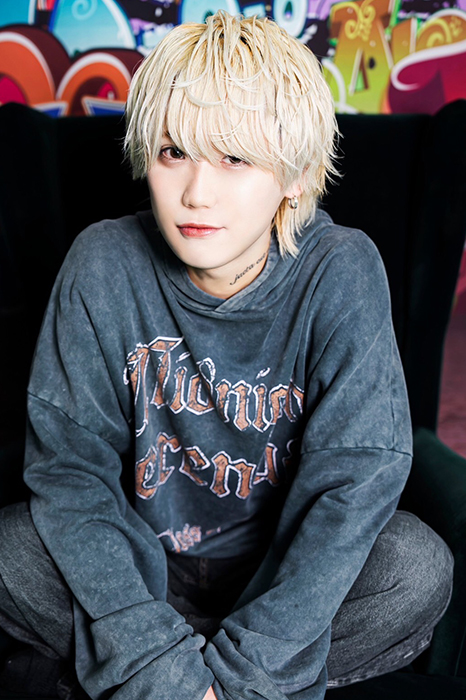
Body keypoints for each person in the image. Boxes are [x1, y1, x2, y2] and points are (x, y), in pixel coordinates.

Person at [0, 11, 453, 700]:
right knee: (11, 550)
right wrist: (166, 667)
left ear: (296, 175)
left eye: (234, 159)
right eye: (173, 152)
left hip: (282, 573)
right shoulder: (103, 262)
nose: (195, 193)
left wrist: (235, 674)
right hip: (142, 570)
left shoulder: (342, 269)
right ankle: (163, 661)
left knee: (415, 567)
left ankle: (144, 669)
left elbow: (355, 480)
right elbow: (70, 472)